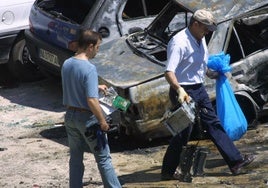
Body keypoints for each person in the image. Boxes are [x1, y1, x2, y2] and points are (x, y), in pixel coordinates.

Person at [161, 9, 255, 181]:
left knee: (213, 123)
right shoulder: (179, 42)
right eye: (205, 28)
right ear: (195, 24)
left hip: (199, 89)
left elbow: (199, 65)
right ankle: (167, 171)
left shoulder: (200, 38)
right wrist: (179, 90)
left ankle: (236, 161)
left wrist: (212, 74)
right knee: (183, 134)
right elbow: (169, 72)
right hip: (182, 91)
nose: (207, 32)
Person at [61, 29, 121, 188]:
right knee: (103, 159)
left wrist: (95, 86)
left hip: (70, 117)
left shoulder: (67, 63)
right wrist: (102, 121)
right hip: (87, 120)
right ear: (90, 46)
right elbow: (91, 100)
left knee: (75, 158)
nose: (97, 51)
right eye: (98, 47)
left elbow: (75, 84)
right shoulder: (89, 68)